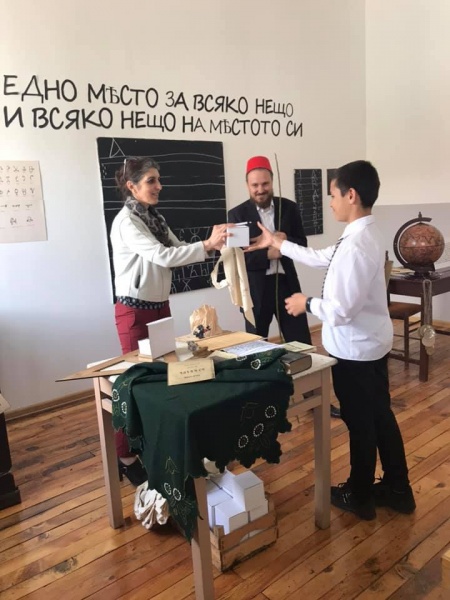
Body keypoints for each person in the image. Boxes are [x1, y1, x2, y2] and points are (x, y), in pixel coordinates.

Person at [247, 160, 415, 520]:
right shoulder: (361, 234)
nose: (331, 202)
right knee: (380, 416)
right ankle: (398, 489)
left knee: (360, 422)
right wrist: (280, 243)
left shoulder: (356, 245)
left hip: (356, 351)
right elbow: (323, 257)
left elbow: (342, 310)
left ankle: (360, 494)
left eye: (333, 195)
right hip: (369, 344)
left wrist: (305, 303)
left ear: (350, 195)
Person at [111, 156, 229, 485]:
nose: (159, 186)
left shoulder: (154, 218)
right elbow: (162, 256)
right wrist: (207, 244)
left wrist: (213, 245)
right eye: (151, 180)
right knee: (133, 384)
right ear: (132, 186)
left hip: (158, 308)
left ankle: (151, 444)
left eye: (158, 179)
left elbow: (178, 250)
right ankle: (124, 455)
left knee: (161, 380)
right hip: (134, 311)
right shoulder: (127, 222)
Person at [228, 156, 341, 419]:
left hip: (288, 286)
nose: (260, 190)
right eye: (255, 185)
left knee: (301, 342)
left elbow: (302, 243)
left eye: (265, 184)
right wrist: (269, 254)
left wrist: (286, 240)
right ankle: (257, 404)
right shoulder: (237, 215)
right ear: (247, 185)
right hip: (255, 291)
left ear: (272, 182)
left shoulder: (288, 208)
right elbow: (237, 259)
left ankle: (315, 400)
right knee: (254, 346)